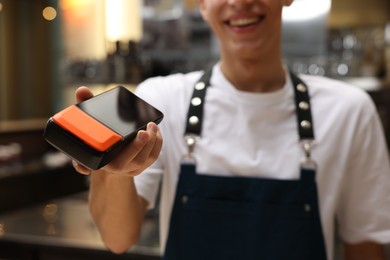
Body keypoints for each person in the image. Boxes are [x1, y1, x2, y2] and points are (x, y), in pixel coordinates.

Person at [73, 0, 390, 259]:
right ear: (202, 4)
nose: (240, 2)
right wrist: (112, 169)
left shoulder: (349, 111)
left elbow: (366, 247)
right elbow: (117, 238)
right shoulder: (162, 101)